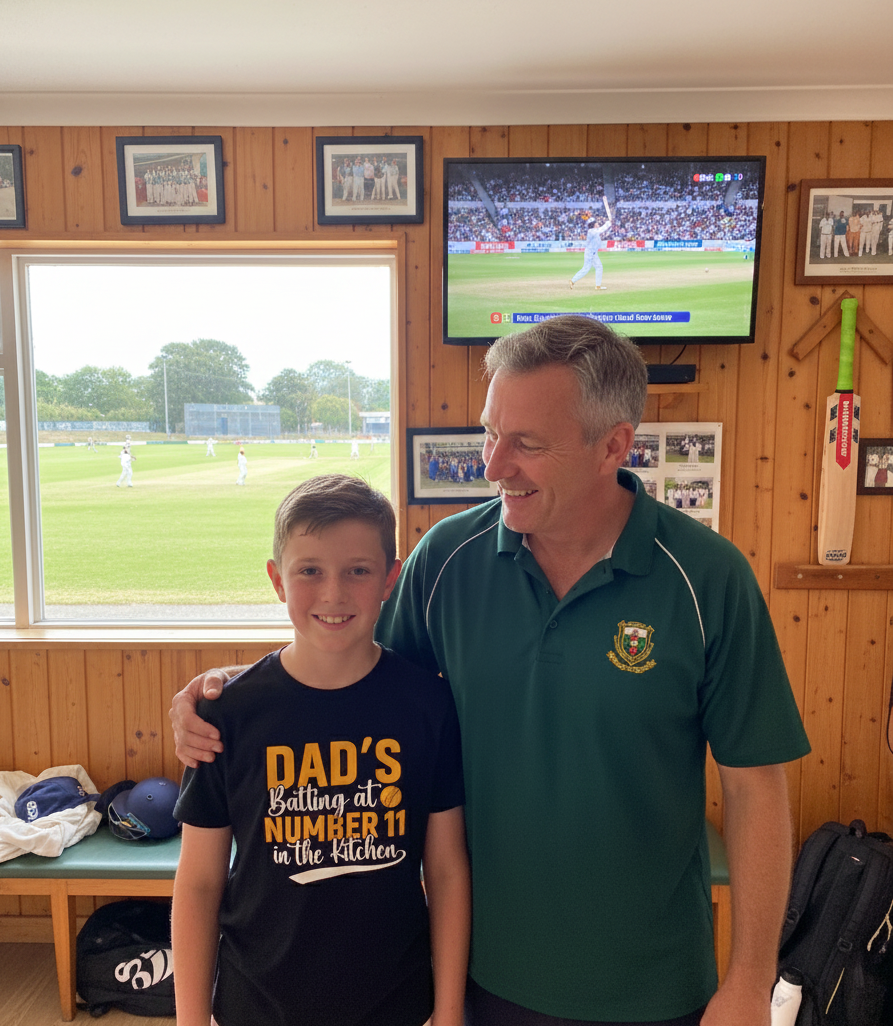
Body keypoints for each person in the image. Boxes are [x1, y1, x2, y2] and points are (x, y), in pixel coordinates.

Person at [171, 315, 810, 1026]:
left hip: (652, 982)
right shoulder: (448, 559)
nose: (491, 465)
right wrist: (227, 690)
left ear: (614, 446)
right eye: (489, 433)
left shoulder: (705, 578)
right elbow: (348, 671)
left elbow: (755, 787)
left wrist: (752, 980)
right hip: (480, 975)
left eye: (526, 444)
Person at [171, 474, 469, 1026]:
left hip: (395, 1001)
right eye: (310, 570)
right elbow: (199, 881)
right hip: (257, 1002)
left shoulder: (427, 703)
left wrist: (448, 1012)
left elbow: (446, 869)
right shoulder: (226, 714)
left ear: (390, 578)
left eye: (358, 570)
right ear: (277, 580)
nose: (333, 593)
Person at [569, 212, 612, 289]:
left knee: (599, 267)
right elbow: (601, 230)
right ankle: (572, 281)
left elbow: (602, 231)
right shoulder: (591, 231)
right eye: (596, 223)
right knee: (586, 269)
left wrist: (609, 225)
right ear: (593, 224)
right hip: (590, 253)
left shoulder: (595, 232)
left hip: (593, 253)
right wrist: (608, 223)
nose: (598, 224)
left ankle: (598, 286)